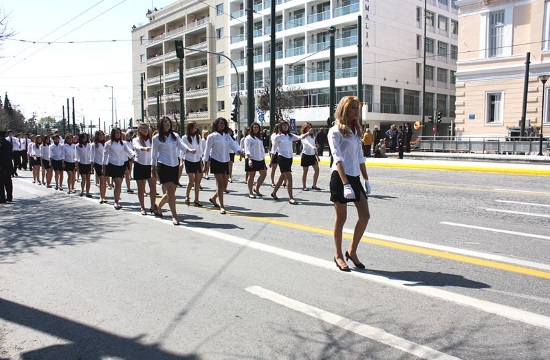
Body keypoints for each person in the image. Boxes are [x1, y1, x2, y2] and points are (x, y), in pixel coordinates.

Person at [328, 95, 371, 272]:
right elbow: (337, 158)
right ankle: (338, 255)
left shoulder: (355, 131)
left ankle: (352, 250)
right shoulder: (335, 131)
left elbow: (360, 158)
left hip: (354, 177)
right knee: (341, 218)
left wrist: (366, 179)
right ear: (345, 109)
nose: (356, 110)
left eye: (357, 107)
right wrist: (345, 184)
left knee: (365, 215)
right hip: (340, 178)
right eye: (353, 107)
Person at [151, 116, 195, 224]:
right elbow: (154, 154)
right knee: (171, 192)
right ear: (161, 124)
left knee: (171, 192)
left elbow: (181, 145)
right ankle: (174, 216)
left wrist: (189, 150)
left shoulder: (174, 136)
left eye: (169, 122)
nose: (167, 124)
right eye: (165, 122)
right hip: (163, 166)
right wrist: (153, 168)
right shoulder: (156, 138)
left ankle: (158, 207)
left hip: (174, 166)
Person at [203, 117, 241, 215]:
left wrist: (240, 151)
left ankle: (213, 198)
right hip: (216, 161)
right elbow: (207, 151)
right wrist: (205, 163)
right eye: (220, 123)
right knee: (220, 184)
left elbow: (233, 144)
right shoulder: (212, 136)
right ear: (216, 124)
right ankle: (222, 206)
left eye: (223, 123)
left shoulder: (226, 135)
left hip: (225, 161)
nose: (222, 125)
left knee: (224, 186)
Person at [270, 120, 310, 204]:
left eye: (286, 125)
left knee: (282, 178)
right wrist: (271, 161)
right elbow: (273, 150)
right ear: (280, 127)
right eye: (283, 125)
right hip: (282, 158)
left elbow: (300, 137)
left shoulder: (290, 136)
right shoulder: (277, 137)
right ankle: (291, 197)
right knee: (289, 178)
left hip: (289, 158)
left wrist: (308, 133)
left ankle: (274, 193)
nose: (285, 127)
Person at [103, 127, 136, 210]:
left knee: (119, 185)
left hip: (121, 165)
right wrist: (103, 167)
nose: (117, 134)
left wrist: (134, 156)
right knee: (118, 183)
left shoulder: (123, 143)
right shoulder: (108, 143)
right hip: (113, 165)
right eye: (116, 133)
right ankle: (116, 202)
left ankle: (116, 198)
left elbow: (129, 151)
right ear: (113, 134)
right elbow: (105, 155)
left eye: (119, 132)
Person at [132, 123, 157, 215]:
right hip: (140, 165)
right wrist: (144, 148)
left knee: (153, 186)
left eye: (146, 128)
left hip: (150, 165)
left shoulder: (152, 140)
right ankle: (142, 207)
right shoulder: (136, 139)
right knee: (141, 188)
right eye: (143, 128)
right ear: (139, 130)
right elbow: (136, 146)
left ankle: (152, 206)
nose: (145, 130)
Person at [182, 121, 204, 207]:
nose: (195, 128)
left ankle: (197, 199)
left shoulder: (198, 137)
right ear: (190, 128)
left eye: (196, 127)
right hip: (188, 160)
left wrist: (201, 160)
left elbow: (200, 149)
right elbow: (182, 148)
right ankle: (187, 197)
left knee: (197, 181)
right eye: (194, 127)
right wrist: (181, 160)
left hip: (197, 160)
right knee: (191, 180)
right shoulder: (184, 137)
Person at [244, 122, 267, 198]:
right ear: (252, 128)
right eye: (254, 127)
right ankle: (250, 192)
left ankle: (256, 189)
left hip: (260, 158)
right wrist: (249, 159)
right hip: (252, 158)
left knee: (263, 174)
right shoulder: (248, 138)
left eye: (257, 127)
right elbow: (247, 149)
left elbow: (262, 149)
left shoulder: (259, 138)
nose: (256, 129)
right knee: (251, 176)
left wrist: (264, 158)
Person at [300, 122, 320, 191]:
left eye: (310, 127)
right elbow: (307, 143)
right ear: (305, 128)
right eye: (308, 127)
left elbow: (314, 145)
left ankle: (314, 185)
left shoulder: (313, 137)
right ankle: (304, 186)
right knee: (305, 171)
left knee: (317, 170)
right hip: (305, 155)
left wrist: (317, 156)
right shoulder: (303, 136)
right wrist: (312, 147)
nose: (309, 129)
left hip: (312, 155)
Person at [91, 130, 107, 204]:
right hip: (98, 163)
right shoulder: (94, 145)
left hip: (105, 164)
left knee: (104, 180)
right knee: (102, 180)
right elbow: (92, 155)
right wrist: (92, 165)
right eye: (100, 135)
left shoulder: (106, 144)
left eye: (102, 135)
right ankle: (101, 197)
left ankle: (104, 196)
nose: (101, 136)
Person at [75, 133, 93, 197]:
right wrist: (76, 163)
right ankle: (82, 190)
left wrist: (92, 163)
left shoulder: (90, 145)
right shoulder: (77, 146)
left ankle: (87, 192)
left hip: (88, 163)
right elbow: (76, 155)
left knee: (88, 179)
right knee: (83, 178)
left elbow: (92, 154)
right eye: (83, 137)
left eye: (86, 137)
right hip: (82, 163)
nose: (85, 138)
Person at [0, 130, 13, 203]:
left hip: (1, 166)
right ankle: (9, 197)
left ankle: (2, 197)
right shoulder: (9, 143)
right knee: (8, 181)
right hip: (8, 165)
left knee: (1, 182)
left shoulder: (1, 144)